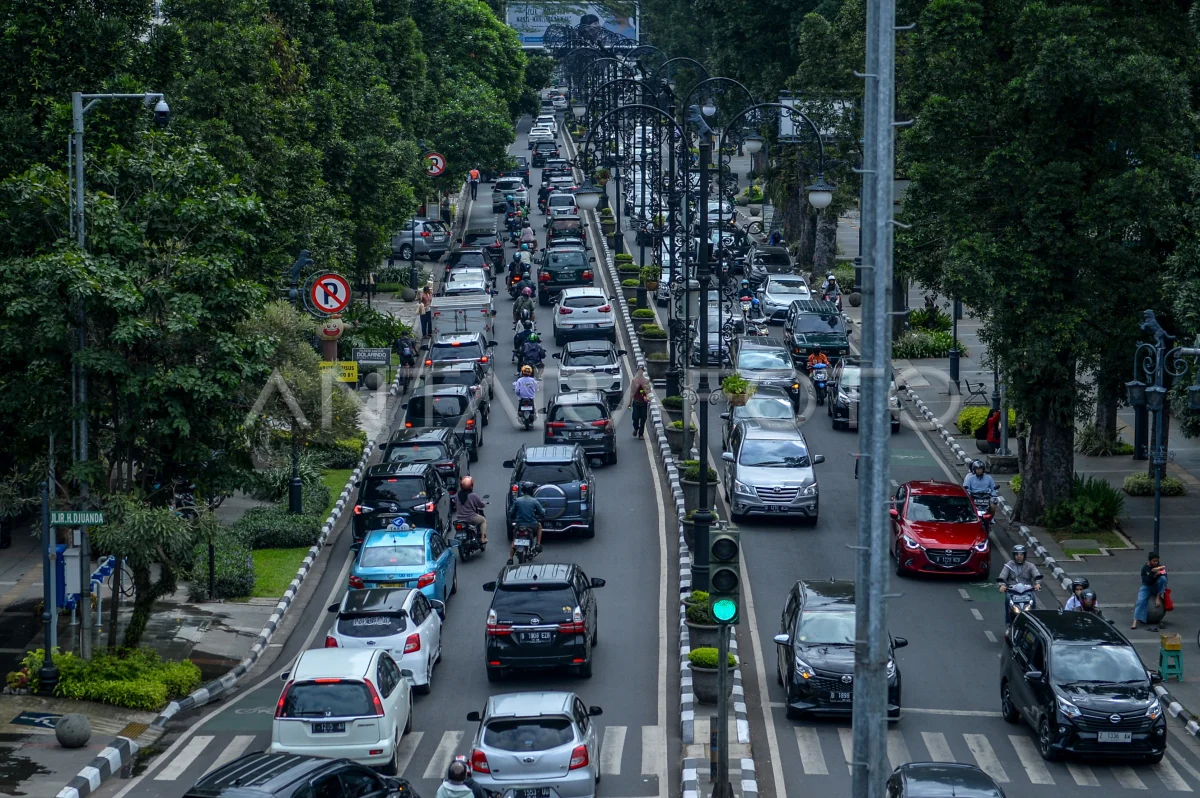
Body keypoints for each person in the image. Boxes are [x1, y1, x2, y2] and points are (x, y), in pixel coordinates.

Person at [507, 481, 546, 564]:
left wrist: (512, 518)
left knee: (514, 540)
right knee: (539, 526)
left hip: (519, 525)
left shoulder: (517, 500)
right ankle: (538, 544)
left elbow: (511, 512)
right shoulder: (534, 501)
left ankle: (510, 559)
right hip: (532, 525)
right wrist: (544, 513)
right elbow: (542, 512)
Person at [1133, 551, 1168, 630]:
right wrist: (1154, 574)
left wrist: (1160, 574)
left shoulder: (1160, 567)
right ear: (1149, 561)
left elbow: (1165, 579)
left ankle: (1158, 597)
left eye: (1157, 561)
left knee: (1163, 579)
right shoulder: (1145, 569)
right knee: (1140, 601)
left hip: (1156, 587)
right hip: (1147, 586)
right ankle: (1135, 620)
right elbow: (1146, 581)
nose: (1156, 563)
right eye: (1154, 561)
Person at [455, 476, 488, 545]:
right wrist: (484, 504)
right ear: (471, 486)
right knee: (483, 520)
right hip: (471, 518)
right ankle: (482, 538)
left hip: (459, 519)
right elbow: (480, 505)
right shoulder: (472, 495)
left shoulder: (457, 495)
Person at [629, 365, 651, 438]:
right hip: (636, 402)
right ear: (637, 371)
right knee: (635, 418)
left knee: (643, 419)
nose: (640, 371)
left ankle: (641, 434)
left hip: (643, 403)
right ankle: (636, 428)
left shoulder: (646, 381)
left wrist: (645, 392)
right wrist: (630, 403)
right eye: (639, 370)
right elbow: (632, 392)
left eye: (641, 370)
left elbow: (648, 391)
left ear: (643, 371)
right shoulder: (634, 381)